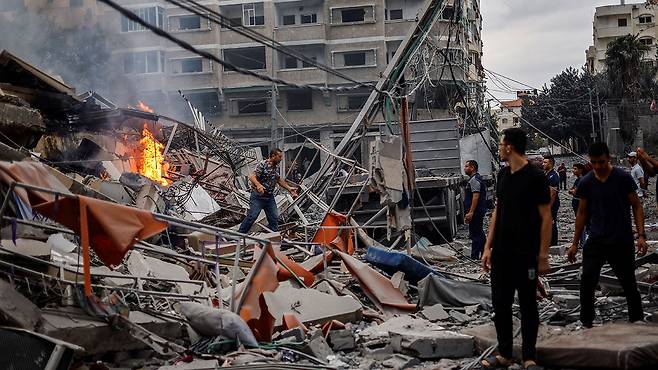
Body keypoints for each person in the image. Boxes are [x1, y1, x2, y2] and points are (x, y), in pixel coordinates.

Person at [481, 128, 552, 370]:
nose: (499, 148)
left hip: (526, 253)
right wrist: (487, 247)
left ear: (509, 147)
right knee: (500, 303)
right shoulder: (502, 175)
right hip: (502, 253)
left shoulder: (536, 176)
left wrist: (543, 254)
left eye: (501, 144)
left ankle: (529, 357)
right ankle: (505, 354)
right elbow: (496, 213)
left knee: (528, 304)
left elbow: (546, 218)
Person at [567, 142, 647, 328]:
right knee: (587, 280)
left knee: (628, 282)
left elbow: (636, 205)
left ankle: (637, 320)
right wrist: (574, 243)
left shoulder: (622, 178)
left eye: (601, 162)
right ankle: (586, 322)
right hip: (596, 239)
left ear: (608, 158)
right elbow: (582, 213)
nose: (597, 167)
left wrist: (641, 234)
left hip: (621, 239)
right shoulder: (586, 182)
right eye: (593, 162)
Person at [238, 148, 298, 233]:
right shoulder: (263, 164)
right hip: (258, 197)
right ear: (273, 156)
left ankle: (274, 237)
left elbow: (278, 179)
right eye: (280, 156)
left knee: (274, 218)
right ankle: (240, 235)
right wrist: (259, 185)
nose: (281, 159)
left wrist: (289, 188)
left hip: (269, 198)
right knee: (252, 216)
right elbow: (252, 177)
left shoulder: (275, 167)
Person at [463, 160, 487, 260]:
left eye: (466, 166)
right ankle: (485, 253)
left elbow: (476, 196)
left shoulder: (474, 180)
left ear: (472, 167)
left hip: (476, 211)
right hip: (478, 211)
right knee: (479, 232)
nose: (465, 168)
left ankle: (475, 257)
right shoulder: (475, 179)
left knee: (475, 234)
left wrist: (471, 212)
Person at [569, 163, 589, 246]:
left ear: (581, 170)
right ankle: (582, 241)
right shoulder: (578, 180)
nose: (573, 171)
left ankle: (583, 242)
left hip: (580, 204)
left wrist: (574, 192)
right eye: (573, 169)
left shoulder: (582, 180)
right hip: (576, 203)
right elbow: (573, 190)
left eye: (575, 169)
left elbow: (578, 192)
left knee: (582, 222)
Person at [542, 155, 560, 246]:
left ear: (551, 164)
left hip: (552, 204)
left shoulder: (553, 176)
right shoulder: (547, 174)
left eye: (545, 162)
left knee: (552, 222)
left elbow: (553, 194)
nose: (543, 164)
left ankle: (553, 243)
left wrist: (548, 207)